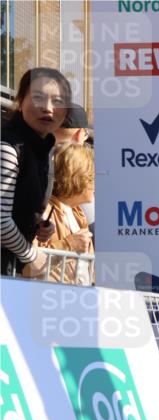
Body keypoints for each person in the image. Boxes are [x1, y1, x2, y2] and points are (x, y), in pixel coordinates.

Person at [1, 68, 72, 276]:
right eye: (38, 98)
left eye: (58, 101)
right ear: (20, 100)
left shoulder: (43, 147)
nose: (48, 108)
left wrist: (38, 223)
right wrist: (31, 255)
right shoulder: (7, 146)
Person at [25, 142, 94, 285]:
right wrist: (68, 245)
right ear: (77, 178)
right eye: (92, 177)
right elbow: (27, 267)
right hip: (45, 300)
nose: (95, 184)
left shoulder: (79, 214)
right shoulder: (43, 211)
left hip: (74, 300)